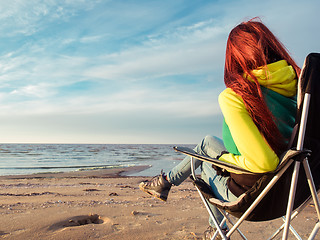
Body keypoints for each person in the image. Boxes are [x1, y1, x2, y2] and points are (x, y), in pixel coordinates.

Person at [139, 18, 300, 240]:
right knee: (206, 143)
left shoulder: (236, 96)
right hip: (293, 193)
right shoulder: (299, 90)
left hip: (255, 199)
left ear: (236, 58)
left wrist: (225, 160)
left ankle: (217, 229)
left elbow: (265, 163)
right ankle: (166, 182)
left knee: (203, 164)